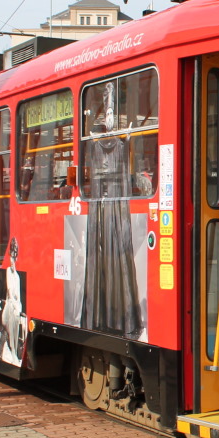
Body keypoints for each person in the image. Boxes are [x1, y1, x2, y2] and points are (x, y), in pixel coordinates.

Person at [81, 82, 144, 340]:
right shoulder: (118, 143)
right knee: (119, 256)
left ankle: (102, 314)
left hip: (104, 208)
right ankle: (122, 315)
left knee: (108, 257)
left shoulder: (95, 144)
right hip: (114, 209)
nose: (108, 119)